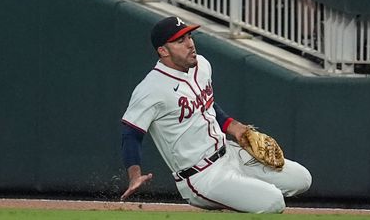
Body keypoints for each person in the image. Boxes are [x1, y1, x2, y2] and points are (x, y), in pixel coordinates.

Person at [120, 16, 312, 213]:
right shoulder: (151, 89)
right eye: (180, 41)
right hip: (202, 176)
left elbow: (207, 106)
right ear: (163, 51)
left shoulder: (201, 65)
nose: (190, 44)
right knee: (273, 202)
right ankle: (239, 195)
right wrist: (135, 175)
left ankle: (241, 193)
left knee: (302, 179)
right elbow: (131, 132)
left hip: (230, 153)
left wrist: (235, 127)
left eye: (189, 36)